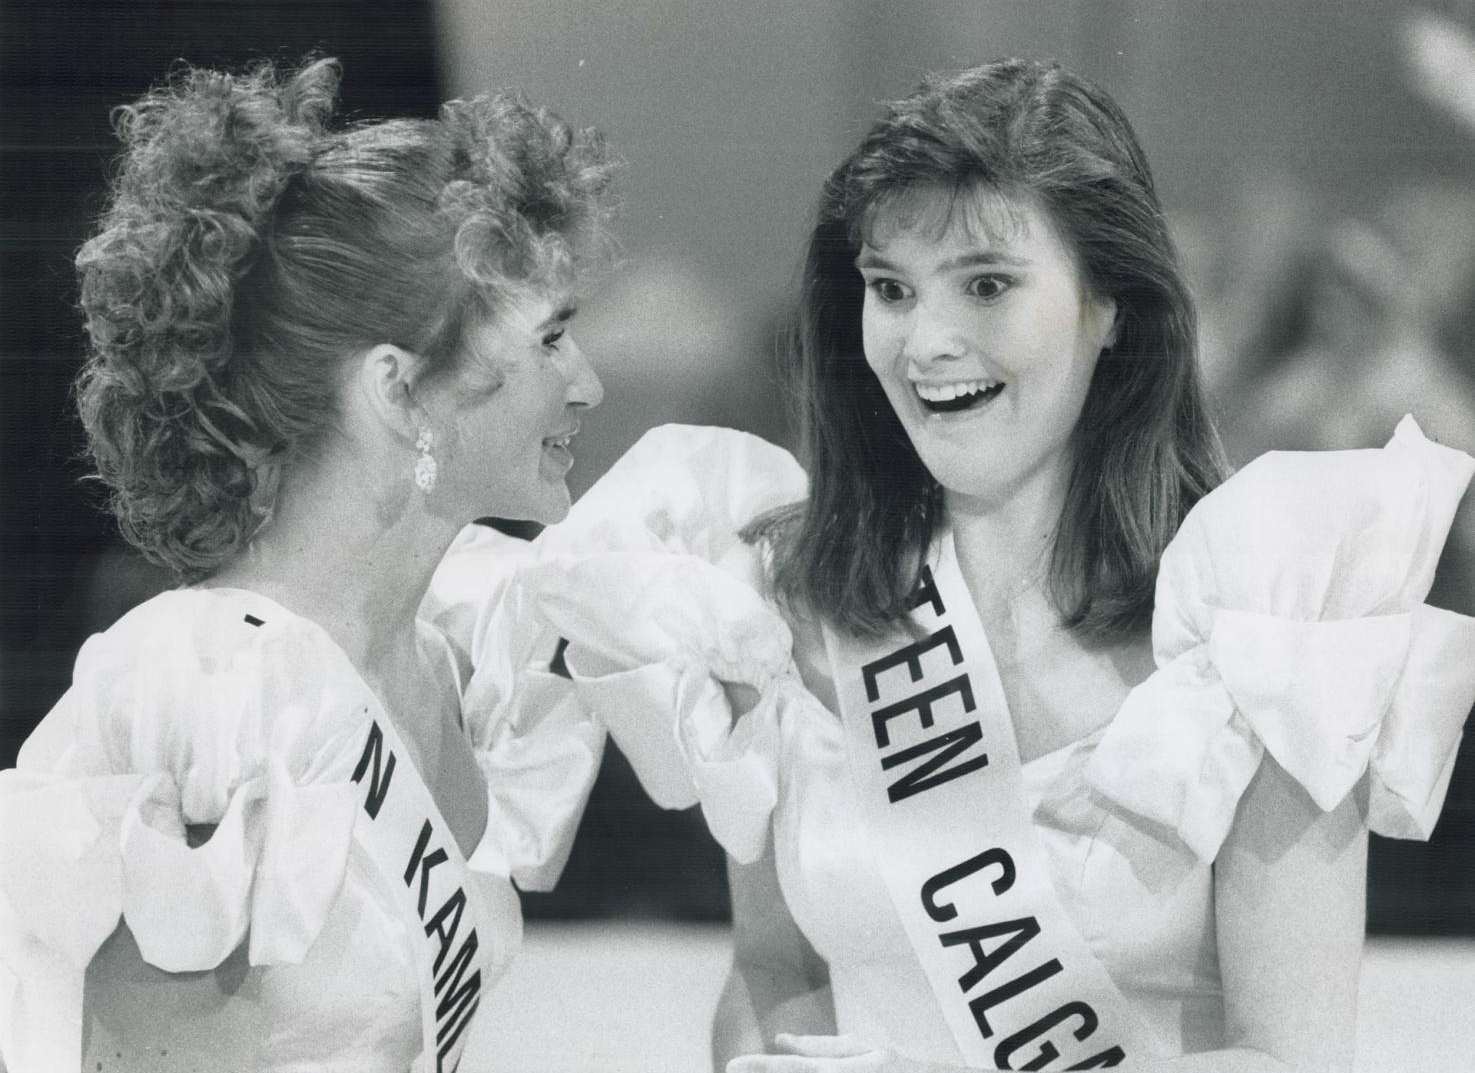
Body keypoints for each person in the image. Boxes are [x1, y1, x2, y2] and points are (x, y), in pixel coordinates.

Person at [506, 59, 1475, 1071]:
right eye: (890, 289)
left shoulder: (1268, 622)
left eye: (984, 284)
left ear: (1111, 306)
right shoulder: (779, 609)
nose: (925, 342)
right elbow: (772, 975)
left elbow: (1290, 1059)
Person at [0, 57, 613, 1072]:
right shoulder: (207, 689)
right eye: (549, 339)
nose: (585, 383)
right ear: (400, 392)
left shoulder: (441, 658)